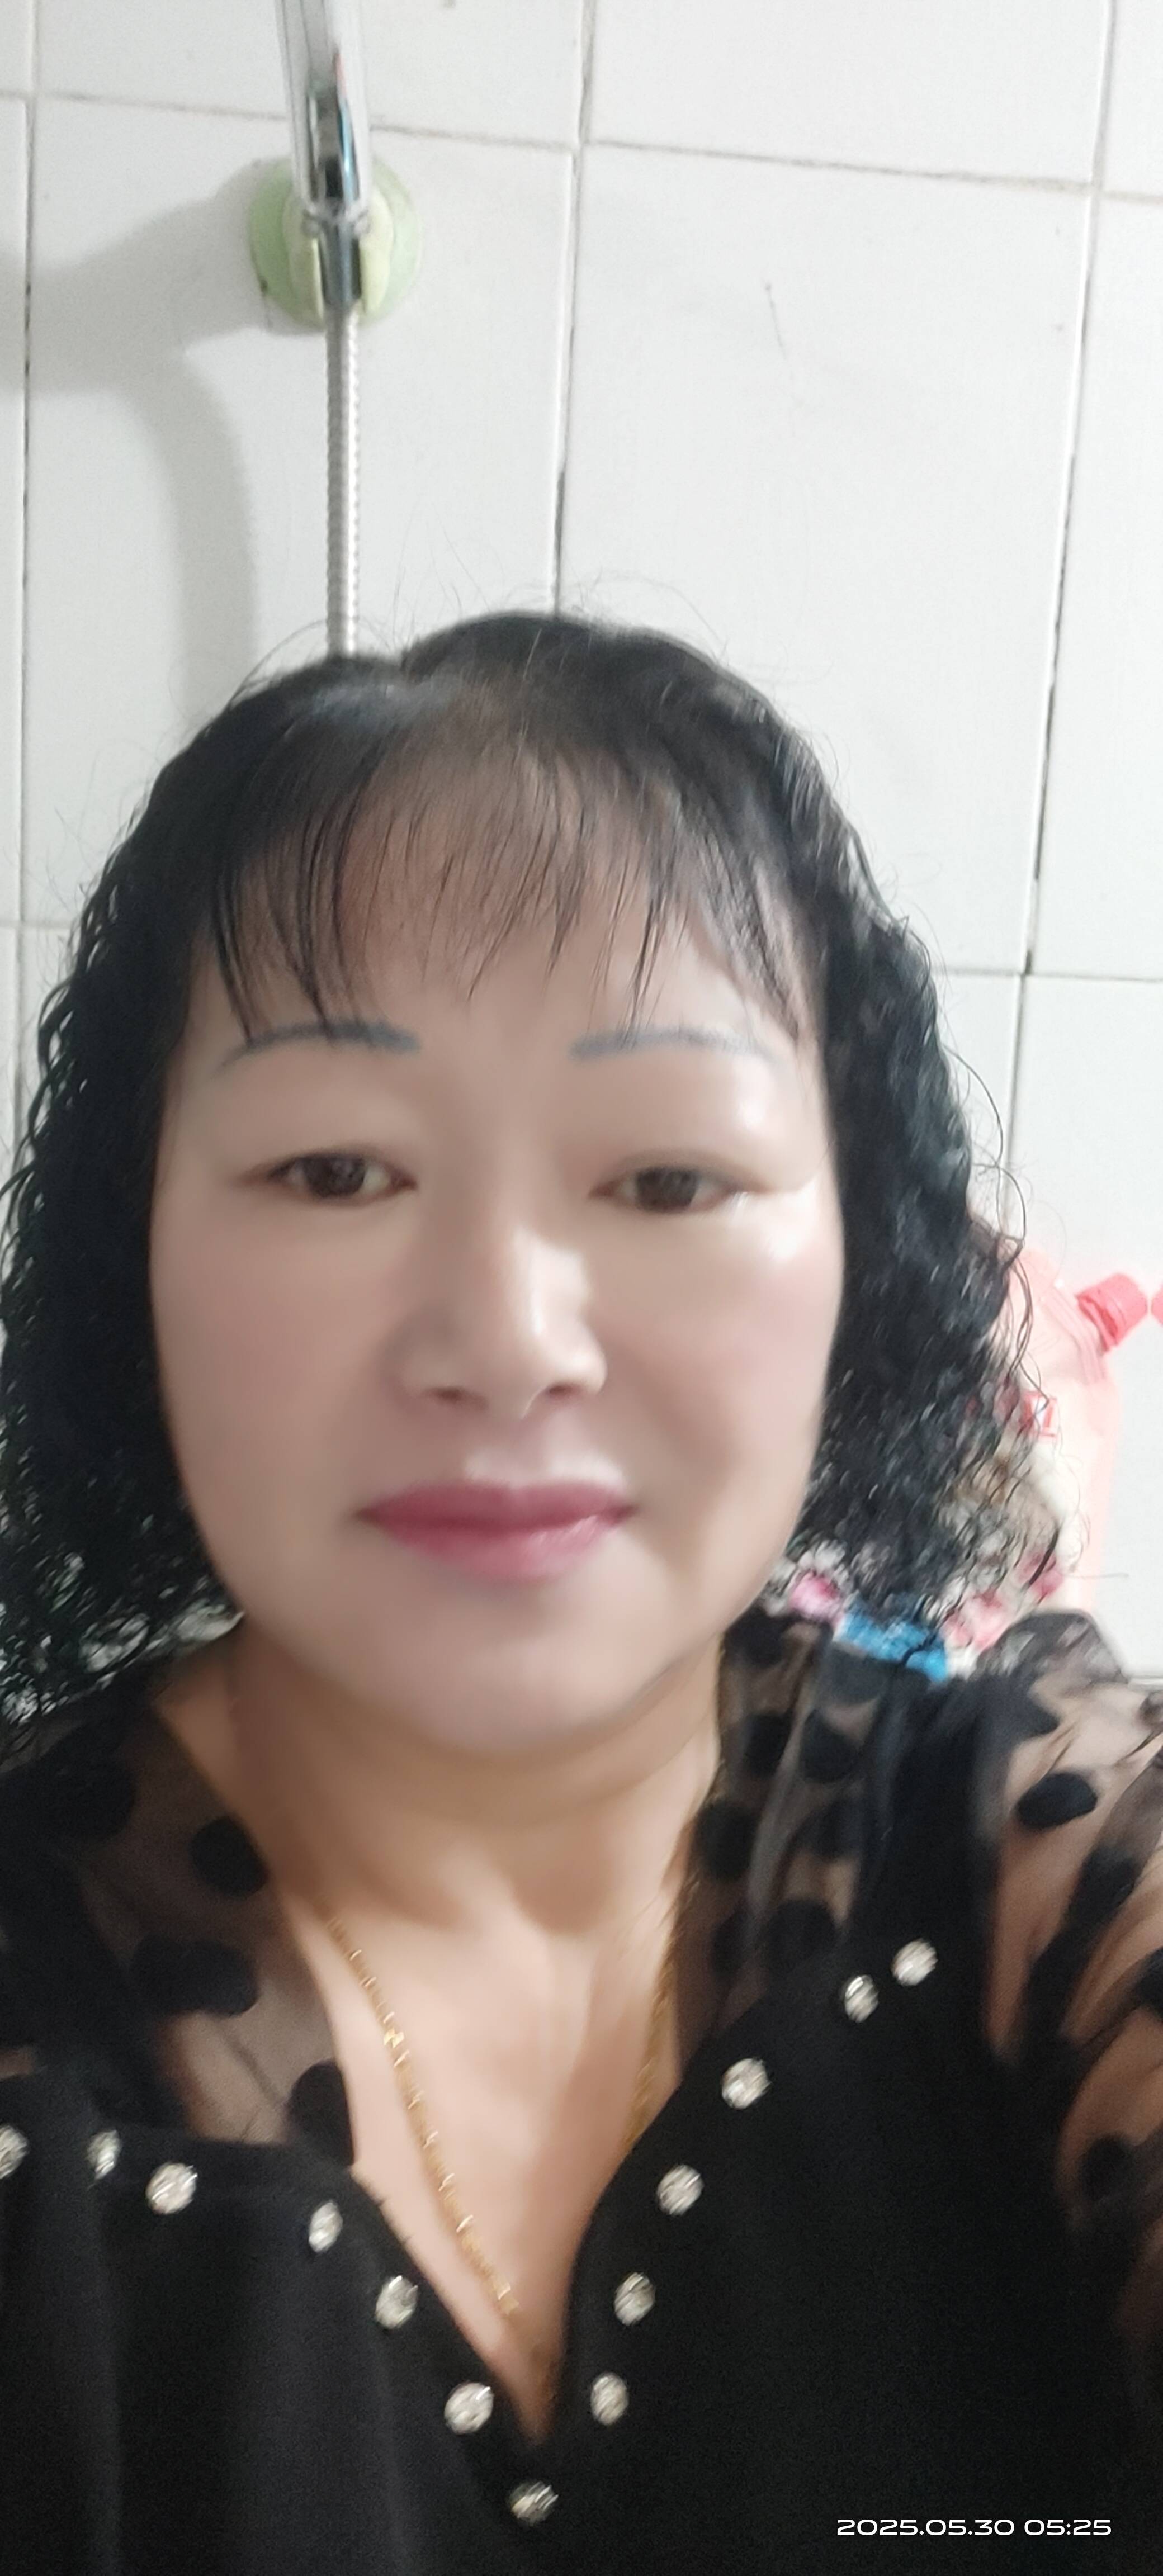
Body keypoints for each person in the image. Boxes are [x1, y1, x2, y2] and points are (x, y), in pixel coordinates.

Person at [0, 612, 1159, 2574]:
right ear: (141, 1253)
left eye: (669, 1181)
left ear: (860, 1255)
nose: (508, 1342)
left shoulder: (1048, 1862)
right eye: (335, 1172)